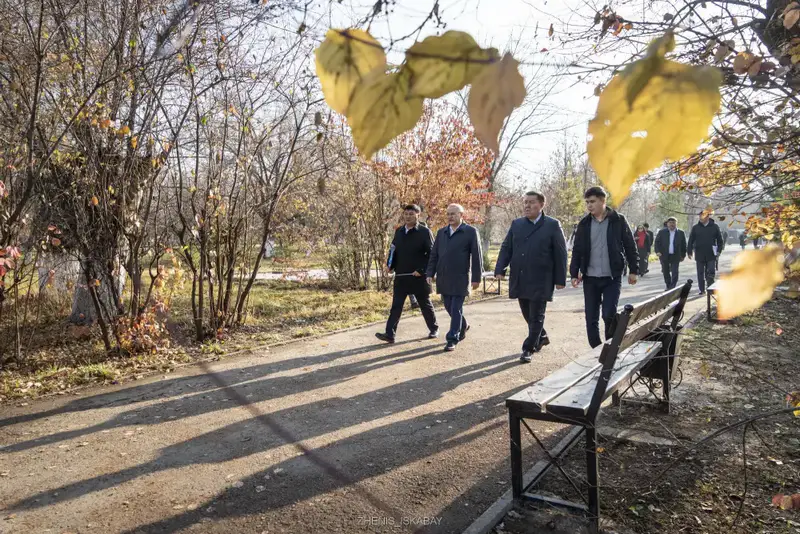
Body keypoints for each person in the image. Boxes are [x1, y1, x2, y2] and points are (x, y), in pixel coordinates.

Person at [494, 191, 568, 363]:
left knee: (536, 315)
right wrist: (500, 269)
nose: (527, 205)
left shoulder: (552, 225)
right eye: (525, 202)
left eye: (531, 202)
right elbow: (506, 248)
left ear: (542, 205)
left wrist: (560, 279)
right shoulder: (517, 224)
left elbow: (561, 253)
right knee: (527, 313)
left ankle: (528, 348)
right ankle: (541, 336)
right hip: (520, 276)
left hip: (542, 278)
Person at [570, 186, 639, 349]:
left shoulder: (618, 220)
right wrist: (574, 273)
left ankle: (610, 346)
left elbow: (630, 245)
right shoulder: (584, 223)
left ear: (603, 201)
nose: (589, 205)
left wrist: (634, 270)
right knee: (591, 318)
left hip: (612, 278)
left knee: (609, 314)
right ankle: (596, 349)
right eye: (587, 202)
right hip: (590, 278)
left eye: (592, 201)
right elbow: (577, 250)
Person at [376, 204, 438, 343]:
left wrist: (422, 270)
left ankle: (434, 329)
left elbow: (432, 254)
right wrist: (390, 265)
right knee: (396, 306)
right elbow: (393, 250)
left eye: (411, 214)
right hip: (401, 276)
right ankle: (389, 334)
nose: (408, 216)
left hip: (418, 276)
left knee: (425, 305)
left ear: (418, 215)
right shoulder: (399, 232)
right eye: (406, 214)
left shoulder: (424, 232)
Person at [426, 204, 483, 352]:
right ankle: (463, 325)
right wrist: (430, 273)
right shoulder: (441, 232)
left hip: (461, 277)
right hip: (444, 276)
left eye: (453, 214)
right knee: (448, 306)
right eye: (448, 214)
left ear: (461, 215)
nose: (450, 217)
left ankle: (452, 338)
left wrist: (476, 278)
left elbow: (477, 256)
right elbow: (434, 255)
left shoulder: (470, 232)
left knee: (456, 307)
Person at [687, 211, 725, 295]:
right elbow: (691, 240)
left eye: (703, 216)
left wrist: (719, 251)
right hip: (699, 253)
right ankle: (702, 290)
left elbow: (720, 241)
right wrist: (689, 251)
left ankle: (710, 288)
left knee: (711, 271)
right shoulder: (695, 228)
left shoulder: (715, 227)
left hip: (711, 253)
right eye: (700, 216)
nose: (701, 217)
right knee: (700, 272)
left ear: (708, 217)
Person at [654, 217, 687, 290]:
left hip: (676, 255)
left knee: (675, 272)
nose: (672, 224)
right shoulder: (662, 232)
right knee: (665, 271)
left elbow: (684, 245)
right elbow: (657, 242)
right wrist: (657, 251)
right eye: (670, 223)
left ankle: (672, 287)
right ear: (667, 224)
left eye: (673, 223)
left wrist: (683, 255)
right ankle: (668, 285)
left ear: (676, 224)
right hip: (664, 255)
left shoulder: (680, 233)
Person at [407, 218, 428, 310]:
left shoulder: (426, 235)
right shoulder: (409, 236)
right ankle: (414, 301)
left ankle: (418, 301)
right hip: (410, 263)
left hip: (421, 265)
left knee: (420, 285)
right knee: (409, 282)